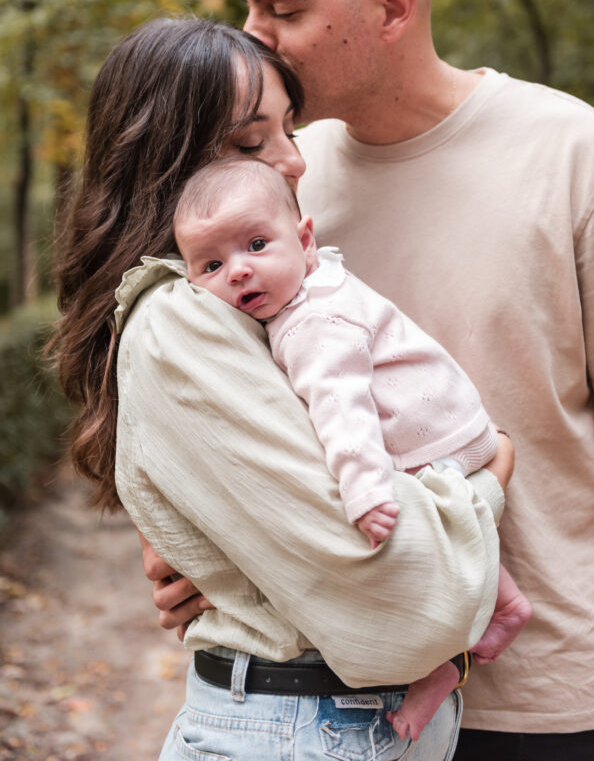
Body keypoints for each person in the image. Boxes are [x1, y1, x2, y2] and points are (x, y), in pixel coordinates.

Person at [147, 0, 594, 761]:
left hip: (558, 701)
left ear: (393, 6)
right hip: (343, 699)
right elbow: (223, 410)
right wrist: (188, 553)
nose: (255, 40)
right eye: (247, 9)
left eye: (281, 9)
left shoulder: (572, 153)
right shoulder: (269, 183)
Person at [53, 14, 507, 761]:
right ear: (162, 163)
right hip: (303, 724)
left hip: (336, 717)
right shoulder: (179, 323)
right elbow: (403, 601)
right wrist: (492, 472)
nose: (291, 162)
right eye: (247, 142)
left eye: (288, 130)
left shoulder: (254, 303)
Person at [172, 154, 532, 740]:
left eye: (257, 244)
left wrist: (366, 492)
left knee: (405, 558)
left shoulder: (312, 322)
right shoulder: (318, 287)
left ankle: (442, 662)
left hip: (426, 447)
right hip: (447, 428)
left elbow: (345, 411)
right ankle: (505, 605)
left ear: (305, 239)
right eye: (212, 264)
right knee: (454, 537)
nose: (238, 271)